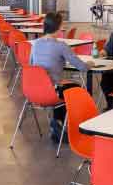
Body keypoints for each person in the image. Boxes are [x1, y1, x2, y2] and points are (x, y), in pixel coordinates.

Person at [29, 12, 94, 141]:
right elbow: (81, 67)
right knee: (75, 88)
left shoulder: (35, 44)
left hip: (34, 91)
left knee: (63, 88)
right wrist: (89, 64)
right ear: (58, 27)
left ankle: (58, 125)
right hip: (52, 91)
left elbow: (31, 65)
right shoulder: (61, 46)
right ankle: (64, 125)